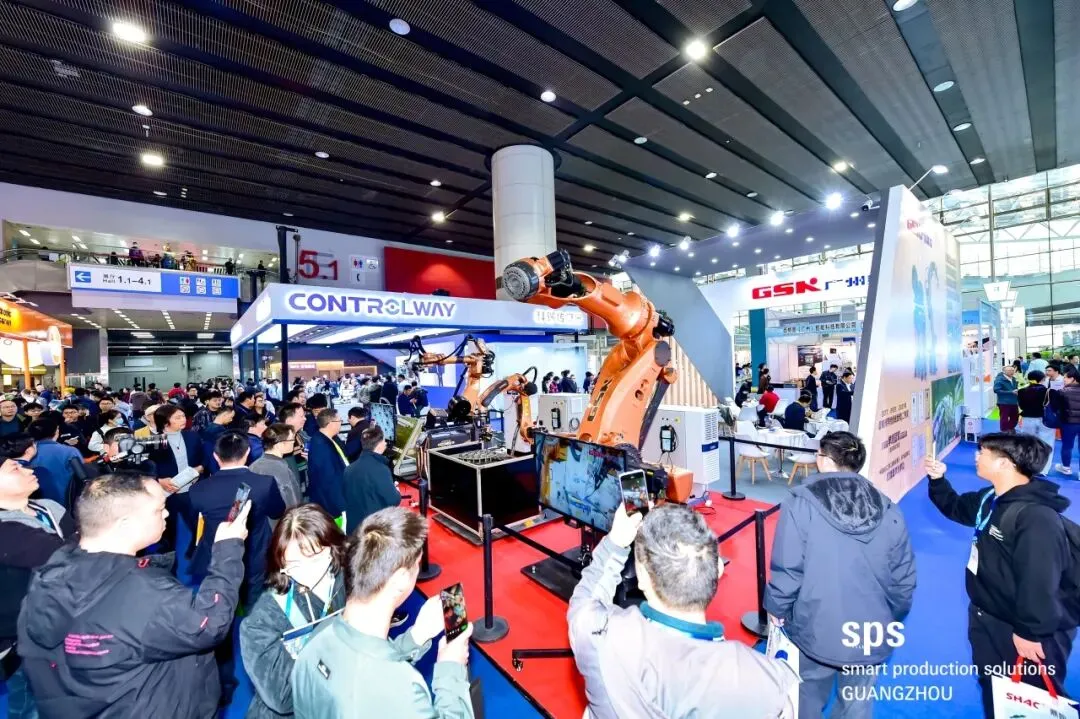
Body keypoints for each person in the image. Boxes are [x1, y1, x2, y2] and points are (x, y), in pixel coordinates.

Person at [16, 471, 251, 718]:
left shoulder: (49, 574)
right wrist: (228, 548)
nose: (167, 514)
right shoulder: (144, 593)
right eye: (159, 510)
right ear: (125, 524)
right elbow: (210, 624)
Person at [569, 502, 798, 718]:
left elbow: (585, 601)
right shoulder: (768, 682)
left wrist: (615, 544)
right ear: (717, 570)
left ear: (643, 576)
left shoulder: (602, 638)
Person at [765, 431, 916, 717]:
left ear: (826, 461)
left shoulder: (801, 503)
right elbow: (904, 578)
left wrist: (777, 607)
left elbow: (788, 566)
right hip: (870, 632)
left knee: (806, 696)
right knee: (856, 704)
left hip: (815, 625)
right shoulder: (888, 507)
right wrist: (888, 616)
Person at [926, 433, 1076, 717]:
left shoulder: (1036, 518)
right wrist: (937, 480)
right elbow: (956, 507)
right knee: (996, 689)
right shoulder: (991, 498)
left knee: (1033, 699)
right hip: (988, 616)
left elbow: (1040, 581)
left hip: (1025, 631)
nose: (976, 456)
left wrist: (1030, 633)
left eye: (982, 452)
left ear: (1005, 464)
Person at [291, 507, 475, 718]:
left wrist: (417, 636)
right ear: (400, 580)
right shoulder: (402, 689)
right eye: (416, 564)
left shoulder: (316, 638)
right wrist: (451, 666)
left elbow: (368, 660)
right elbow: (381, 680)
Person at [239, 504, 346, 719]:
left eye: (315, 558)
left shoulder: (345, 580)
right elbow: (283, 697)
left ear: (332, 548)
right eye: (294, 565)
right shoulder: (260, 622)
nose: (306, 572)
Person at [0, 458, 73, 719]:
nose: (28, 469)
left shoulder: (49, 507)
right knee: (29, 703)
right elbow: (68, 557)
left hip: (67, 622)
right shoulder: (6, 529)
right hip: (22, 638)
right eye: (15, 469)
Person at [189, 431, 285, 605]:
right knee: (254, 599)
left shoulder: (198, 489)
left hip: (216, 554)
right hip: (255, 552)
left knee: (220, 601)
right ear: (247, 452)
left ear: (215, 456)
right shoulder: (264, 483)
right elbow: (277, 511)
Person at [342, 426, 400, 535]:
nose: (385, 444)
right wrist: (396, 490)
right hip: (372, 531)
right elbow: (394, 500)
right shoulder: (381, 469)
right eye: (384, 441)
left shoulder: (349, 469)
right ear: (379, 445)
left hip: (353, 529)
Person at [28, 418, 83, 508]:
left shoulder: (25, 452)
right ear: (56, 432)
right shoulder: (70, 451)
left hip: (32, 504)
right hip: (65, 503)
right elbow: (82, 477)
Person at [250, 423, 304, 510]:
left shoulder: (254, 465)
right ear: (279, 445)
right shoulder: (279, 468)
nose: (294, 442)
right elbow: (291, 501)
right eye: (292, 440)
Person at [307, 409, 348, 518]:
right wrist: (341, 507)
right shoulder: (322, 446)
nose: (341, 423)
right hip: (332, 507)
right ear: (331, 424)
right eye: (339, 421)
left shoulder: (325, 438)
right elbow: (329, 479)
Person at [1017, 370, 1055, 476]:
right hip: (1045, 420)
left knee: (1027, 443)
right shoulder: (1048, 391)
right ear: (1043, 379)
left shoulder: (1021, 391)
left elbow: (1022, 406)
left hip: (1027, 419)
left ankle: (1027, 467)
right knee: (1046, 443)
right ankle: (1043, 470)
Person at [1055, 370, 1080, 476]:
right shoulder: (1062, 391)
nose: (1064, 379)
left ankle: (1066, 468)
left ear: (1073, 378)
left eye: (1066, 377)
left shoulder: (1062, 392)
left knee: (1067, 445)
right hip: (1070, 422)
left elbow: (1056, 408)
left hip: (1068, 423)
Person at [994, 364, 1019, 432]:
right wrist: (1011, 392)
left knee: (1015, 417)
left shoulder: (1013, 379)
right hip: (1004, 402)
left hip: (1014, 402)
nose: (1012, 372)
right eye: (1009, 370)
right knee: (1004, 418)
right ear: (1004, 371)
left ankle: (1010, 429)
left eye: (1013, 370)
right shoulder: (999, 380)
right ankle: (1004, 432)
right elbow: (996, 390)